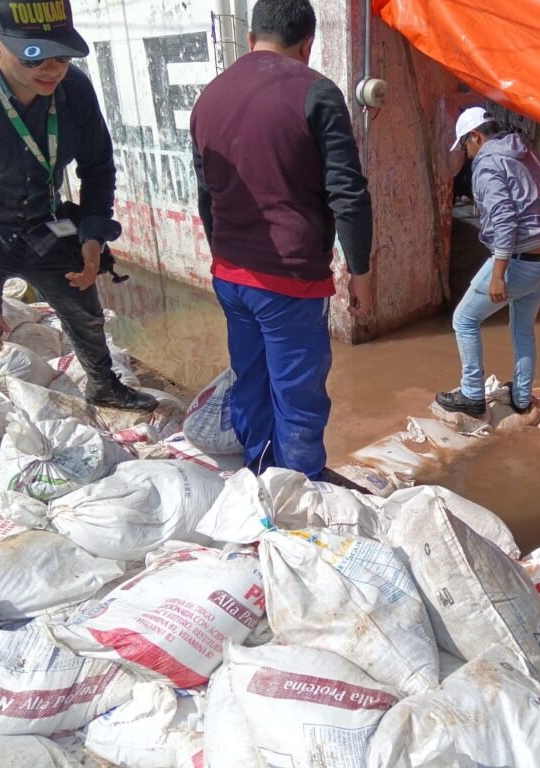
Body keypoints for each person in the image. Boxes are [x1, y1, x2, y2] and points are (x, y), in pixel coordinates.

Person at [0, 0, 158, 516]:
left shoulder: (73, 90)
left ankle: (104, 385)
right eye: (34, 57)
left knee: (83, 305)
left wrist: (93, 236)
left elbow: (98, 167)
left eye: (61, 57)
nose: (51, 70)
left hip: (41, 218)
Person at [190, 0, 373, 482]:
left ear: (252, 39)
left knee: (250, 380)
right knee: (297, 394)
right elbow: (348, 193)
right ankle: (298, 487)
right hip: (289, 281)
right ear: (307, 44)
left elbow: (206, 193)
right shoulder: (316, 92)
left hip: (230, 276)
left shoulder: (209, 96)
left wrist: (223, 256)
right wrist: (361, 271)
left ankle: (258, 474)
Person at [436, 107, 540, 417]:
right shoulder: (525, 153)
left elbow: (505, 220)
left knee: (464, 320)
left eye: (464, 145)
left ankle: (472, 394)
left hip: (521, 259)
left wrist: (498, 275)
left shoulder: (487, 162)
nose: (466, 153)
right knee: (523, 329)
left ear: (475, 136)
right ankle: (521, 397)